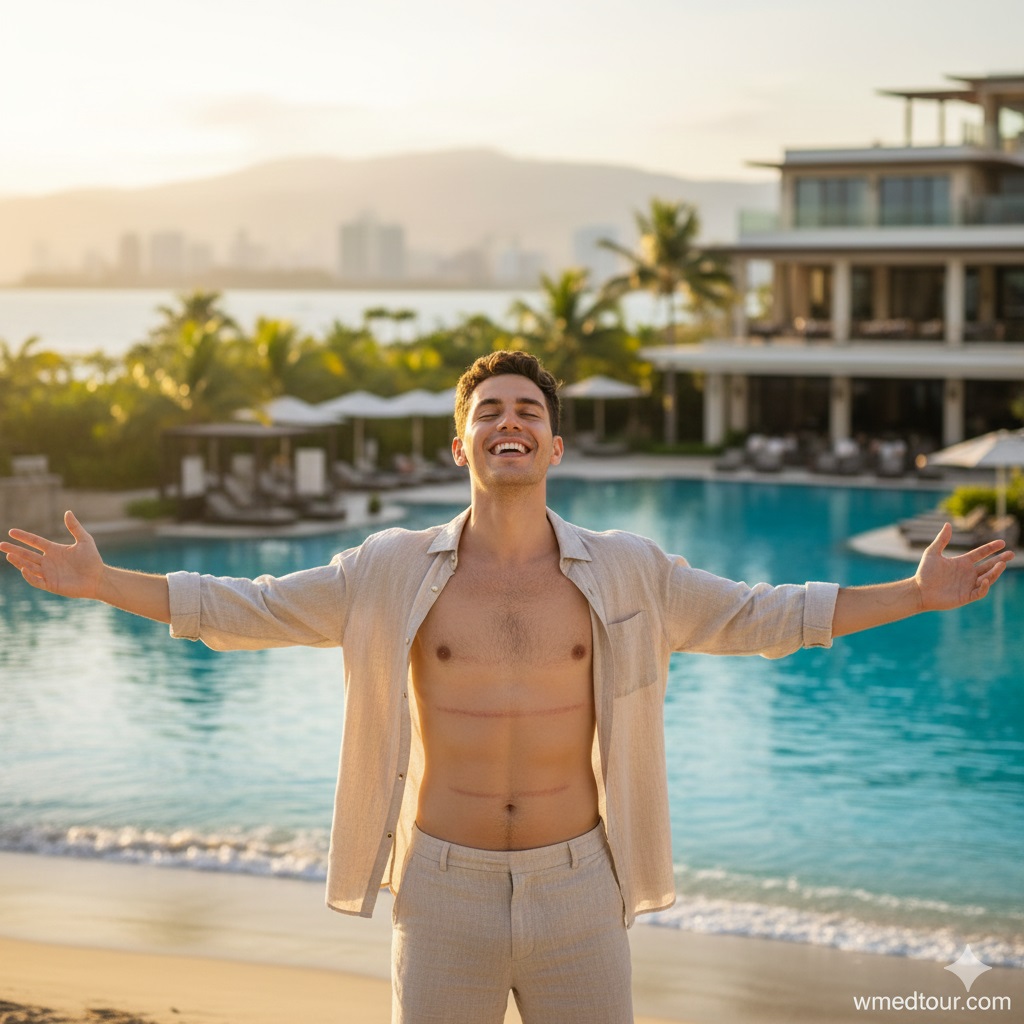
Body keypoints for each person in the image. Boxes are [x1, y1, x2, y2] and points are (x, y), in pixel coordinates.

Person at [1, 350, 1014, 1024]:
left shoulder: (630, 569)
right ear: (462, 446)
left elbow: (762, 614)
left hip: (581, 888)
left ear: (556, 445)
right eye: (488, 412)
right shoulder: (388, 568)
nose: (509, 422)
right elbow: (246, 606)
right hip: (441, 889)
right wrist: (103, 583)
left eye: (529, 410)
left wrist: (915, 595)